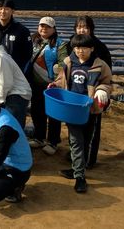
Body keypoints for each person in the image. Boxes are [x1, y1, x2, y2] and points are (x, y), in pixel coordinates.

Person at [51, 34, 112, 193]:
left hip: (90, 109)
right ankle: (80, 177)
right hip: (72, 109)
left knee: (85, 140)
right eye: (77, 48)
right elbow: (62, 79)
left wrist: (102, 90)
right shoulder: (68, 62)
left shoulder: (100, 65)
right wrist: (55, 84)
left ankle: (76, 168)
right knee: (76, 141)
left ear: (91, 48)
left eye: (84, 48)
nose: (80, 51)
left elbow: (107, 83)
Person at [67, 15, 112, 168]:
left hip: (92, 98)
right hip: (74, 97)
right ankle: (77, 158)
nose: (82, 30)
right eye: (79, 27)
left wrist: (101, 90)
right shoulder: (71, 44)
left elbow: (107, 76)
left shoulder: (100, 48)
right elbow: (66, 71)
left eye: (85, 27)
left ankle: (88, 160)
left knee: (91, 130)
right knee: (74, 129)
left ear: (91, 29)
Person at [27, 16, 68, 155]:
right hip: (35, 84)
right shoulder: (32, 41)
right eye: (42, 26)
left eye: (47, 27)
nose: (44, 29)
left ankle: (53, 141)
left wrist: (57, 80)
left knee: (53, 114)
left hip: (52, 86)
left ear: (53, 29)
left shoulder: (60, 44)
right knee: (37, 111)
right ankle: (39, 137)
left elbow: (63, 63)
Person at [0, 0, 32, 72]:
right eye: (0, 9)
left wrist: (19, 70)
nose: (3, 11)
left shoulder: (22, 30)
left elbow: (27, 53)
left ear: (12, 11)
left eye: (6, 9)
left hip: (14, 70)